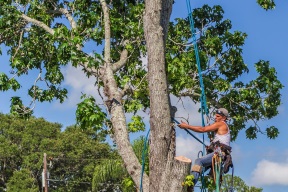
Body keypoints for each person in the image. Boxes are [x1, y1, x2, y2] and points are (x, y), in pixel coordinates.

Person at [177, 108, 231, 190]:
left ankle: (190, 185)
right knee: (198, 168)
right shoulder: (222, 125)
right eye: (215, 115)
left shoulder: (221, 124)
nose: (215, 117)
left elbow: (203, 129)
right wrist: (211, 147)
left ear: (224, 118)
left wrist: (187, 126)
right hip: (218, 152)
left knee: (199, 161)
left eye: (218, 116)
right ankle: (187, 182)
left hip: (219, 154)